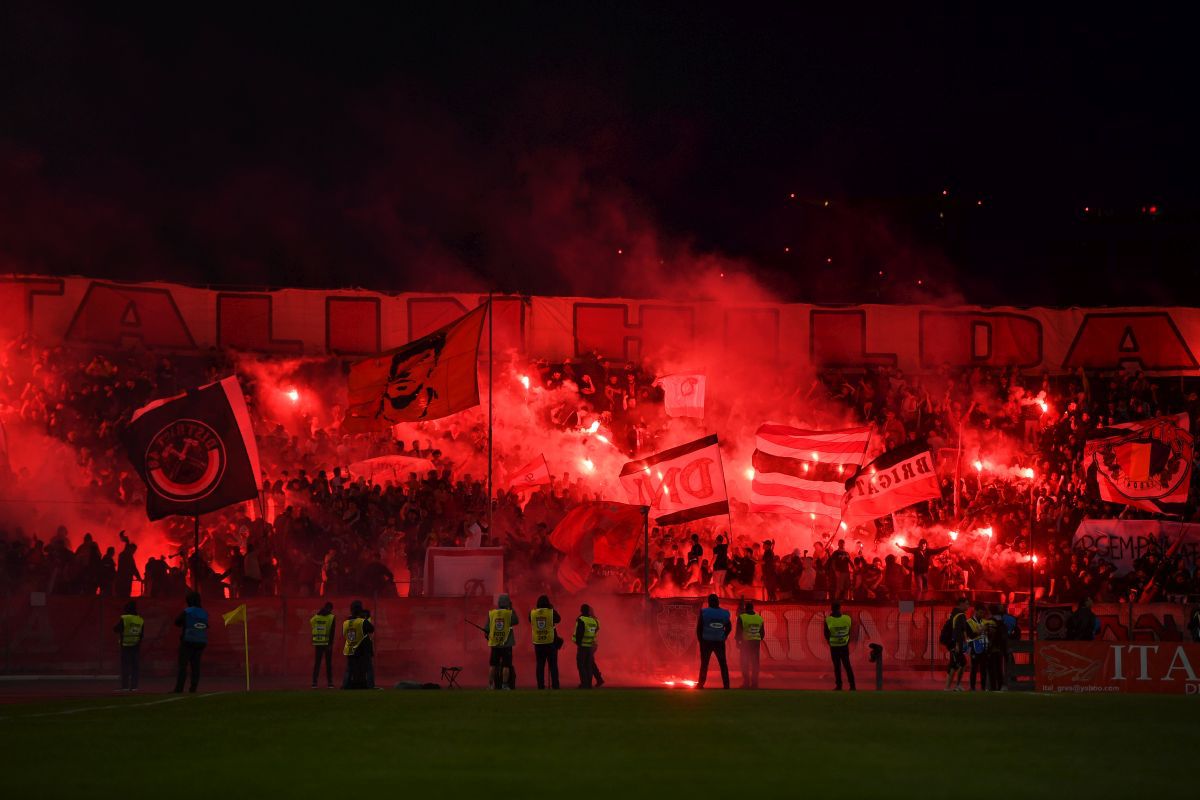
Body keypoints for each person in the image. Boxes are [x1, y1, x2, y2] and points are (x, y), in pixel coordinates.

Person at [172, 591, 208, 693]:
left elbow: (177, 622)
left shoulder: (187, 611)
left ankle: (179, 689)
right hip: (201, 642)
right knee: (195, 666)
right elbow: (206, 626)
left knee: (183, 666)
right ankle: (193, 688)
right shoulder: (204, 612)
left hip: (188, 641)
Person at [696, 593, 731, 689]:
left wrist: (700, 640)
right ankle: (726, 685)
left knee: (704, 663)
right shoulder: (725, 613)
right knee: (723, 663)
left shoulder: (704, 612)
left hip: (706, 641)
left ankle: (700, 684)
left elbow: (699, 628)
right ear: (718, 602)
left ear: (709, 602)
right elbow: (729, 627)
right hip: (719, 641)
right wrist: (724, 636)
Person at [485, 593, 518, 689]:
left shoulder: (491, 613)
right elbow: (516, 621)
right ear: (508, 603)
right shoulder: (509, 613)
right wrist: (511, 608)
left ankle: (490, 685)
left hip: (495, 644)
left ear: (498, 603)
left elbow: (486, 629)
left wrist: (488, 635)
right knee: (506, 665)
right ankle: (504, 685)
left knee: (493, 665)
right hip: (507, 644)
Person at [530, 594, 562, 690]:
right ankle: (555, 685)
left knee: (540, 665)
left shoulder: (533, 613)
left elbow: (530, 620)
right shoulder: (551, 612)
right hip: (550, 643)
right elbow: (558, 619)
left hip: (539, 643)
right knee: (553, 666)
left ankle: (540, 685)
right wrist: (551, 608)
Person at [342, 599, 375, 689]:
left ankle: (346, 685)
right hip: (362, 649)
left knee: (350, 669)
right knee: (367, 668)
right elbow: (371, 629)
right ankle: (368, 685)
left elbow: (344, 633)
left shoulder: (346, 622)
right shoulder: (362, 621)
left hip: (350, 648)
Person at [823, 601, 855, 691]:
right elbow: (849, 630)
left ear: (831, 609)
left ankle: (839, 686)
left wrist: (830, 641)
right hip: (844, 645)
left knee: (837, 667)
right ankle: (852, 686)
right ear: (840, 608)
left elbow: (826, 633)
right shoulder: (847, 618)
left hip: (834, 646)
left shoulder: (828, 620)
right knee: (847, 665)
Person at [113, 599, 144, 691]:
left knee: (125, 666)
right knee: (135, 666)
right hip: (136, 645)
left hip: (126, 645)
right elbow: (142, 634)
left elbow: (116, 629)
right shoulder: (140, 619)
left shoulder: (125, 618)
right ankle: (134, 686)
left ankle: (125, 686)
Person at [735, 600, 765, 689]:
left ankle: (746, 683)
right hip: (756, 643)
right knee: (755, 663)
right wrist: (757, 639)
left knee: (745, 662)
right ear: (753, 608)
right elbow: (762, 633)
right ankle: (755, 684)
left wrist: (738, 642)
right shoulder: (759, 618)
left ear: (745, 608)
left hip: (745, 643)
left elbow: (738, 631)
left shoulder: (742, 617)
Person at [941, 598, 969, 691]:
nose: (968, 606)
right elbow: (957, 630)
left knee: (957, 663)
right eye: (966, 604)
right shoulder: (960, 615)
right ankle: (952, 686)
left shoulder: (955, 614)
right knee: (958, 663)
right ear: (961, 604)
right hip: (954, 643)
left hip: (952, 642)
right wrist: (957, 644)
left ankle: (952, 686)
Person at [573, 604, 603, 689]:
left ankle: (587, 683)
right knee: (589, 663)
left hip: (586, 644)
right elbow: (597, 629)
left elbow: (580, 632)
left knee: (585, 664)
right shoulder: (594, 620)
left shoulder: (583, 619)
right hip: (592, 644)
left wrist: (578, 643)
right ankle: (597, 680)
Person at [310, 601, 336, 689]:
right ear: (330, 608)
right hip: (327, 643)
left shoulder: (316, 617)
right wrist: (331, 644)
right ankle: (330, 683)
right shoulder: (331, 617)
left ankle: (314, 682)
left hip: (318, 642)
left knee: (317, 663)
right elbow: (332, 632)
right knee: (328, 663)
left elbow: (312, 623)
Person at [965, 603, 990, 691]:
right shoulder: (968, 622)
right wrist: (980, 631)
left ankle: (983, 688)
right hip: (975, 648)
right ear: (975, 611)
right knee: (974, 668)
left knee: (983, 669)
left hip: (984, 648)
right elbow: (970, 636)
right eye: (980, 613)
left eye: (982, 613)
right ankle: (972, 687)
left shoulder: (984, 621)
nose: (981, 615)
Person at [985, 604, 1010, 691]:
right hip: (1001, 648)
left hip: (992, 648)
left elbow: (989, 636)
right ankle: (1000, 686)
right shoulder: (1003, 621)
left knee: (991, 669)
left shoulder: (990, 621)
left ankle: (992, 687)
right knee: (999, 669)